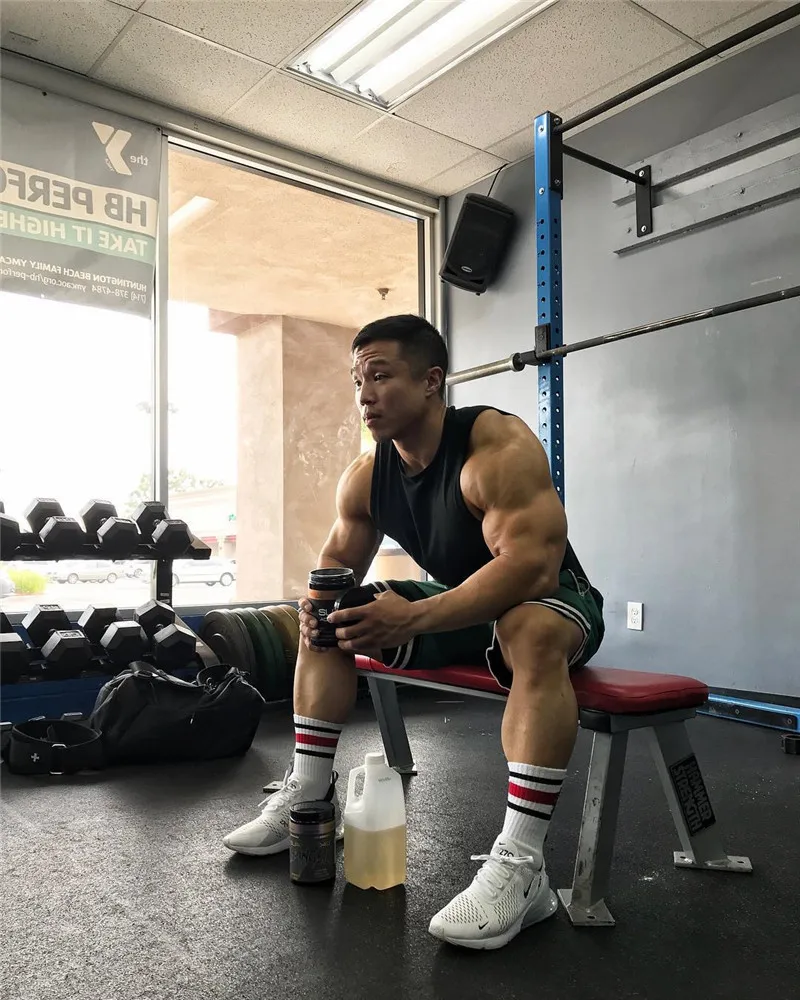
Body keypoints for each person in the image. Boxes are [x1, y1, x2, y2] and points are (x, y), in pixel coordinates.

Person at [224, 314, 605, 951]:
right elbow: (335, 563)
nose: (365, 395)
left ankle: (522, 864)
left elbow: (531, 567)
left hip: (554, 601)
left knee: (529, 628)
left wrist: (414, 616)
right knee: (337, 616)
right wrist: (316, 607)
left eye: (380, 376)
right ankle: (309, 795)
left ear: (431, 381)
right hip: (464, 606)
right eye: (357, 381)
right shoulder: (367, 476)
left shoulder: (495, 446)